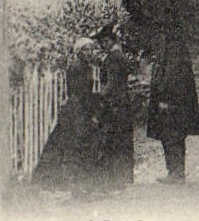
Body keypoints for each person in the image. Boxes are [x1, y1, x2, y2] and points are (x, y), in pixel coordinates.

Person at [32, 38, 104, 192]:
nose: (89, 52)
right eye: (85, 49)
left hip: (82, 107)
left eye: (91, 49)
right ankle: (61, 181)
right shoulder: (76, 67)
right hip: (76, 108)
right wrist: (90, 110)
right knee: (71, 144)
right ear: (78, 52)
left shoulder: (87, 67)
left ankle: (80, 182)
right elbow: (79, 92)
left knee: (78, 144)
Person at [146, 0, 199, 183]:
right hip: (169, 99)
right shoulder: (168, 45)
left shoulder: (176, 47)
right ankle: (172, 171)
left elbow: (173, 77)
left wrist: (165, 98)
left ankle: (177, 172)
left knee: (174, 135)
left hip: (174, 101)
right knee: (168, 135)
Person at [95, 23, 135, 188]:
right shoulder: (120, 55)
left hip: (116, 104)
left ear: (111, 41)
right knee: (123, 139)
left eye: (105, 41)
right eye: (102, 42)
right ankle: (125, 176)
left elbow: (111, 83)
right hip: (122, 101)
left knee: (116, 139)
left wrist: (99, 96)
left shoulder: (114, 58)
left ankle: (119, 178)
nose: (103, 45)